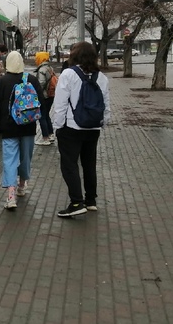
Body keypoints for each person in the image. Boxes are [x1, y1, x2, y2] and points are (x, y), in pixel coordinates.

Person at [52, 42, 111, 217]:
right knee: (89, 163)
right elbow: (106, 103)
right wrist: (103, 122)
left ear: (75, 55)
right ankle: (90, 200)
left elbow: (60, 104)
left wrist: (58, 126)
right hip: (93, 127)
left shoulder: (68, 74)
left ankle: (76, 202)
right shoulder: (101, 77)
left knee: (69, 165)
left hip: (72, 127)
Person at [0, 50, 43, 209]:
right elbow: (41, 103)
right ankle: (22, 186)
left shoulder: (0, 82)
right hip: (28, 127)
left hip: (8, 128)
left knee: (10, 160)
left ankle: (10, 197)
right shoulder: (31, 80)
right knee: (26, 158)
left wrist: (1, 120)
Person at [34, 52, 55, 146]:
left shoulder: (42, 69)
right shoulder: (50, 68)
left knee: (42, 116)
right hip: (51, 95)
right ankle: (51, 135)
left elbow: (41, 83)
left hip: (44, 96)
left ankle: (45, 138)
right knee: (46, 115)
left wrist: (36, 92)